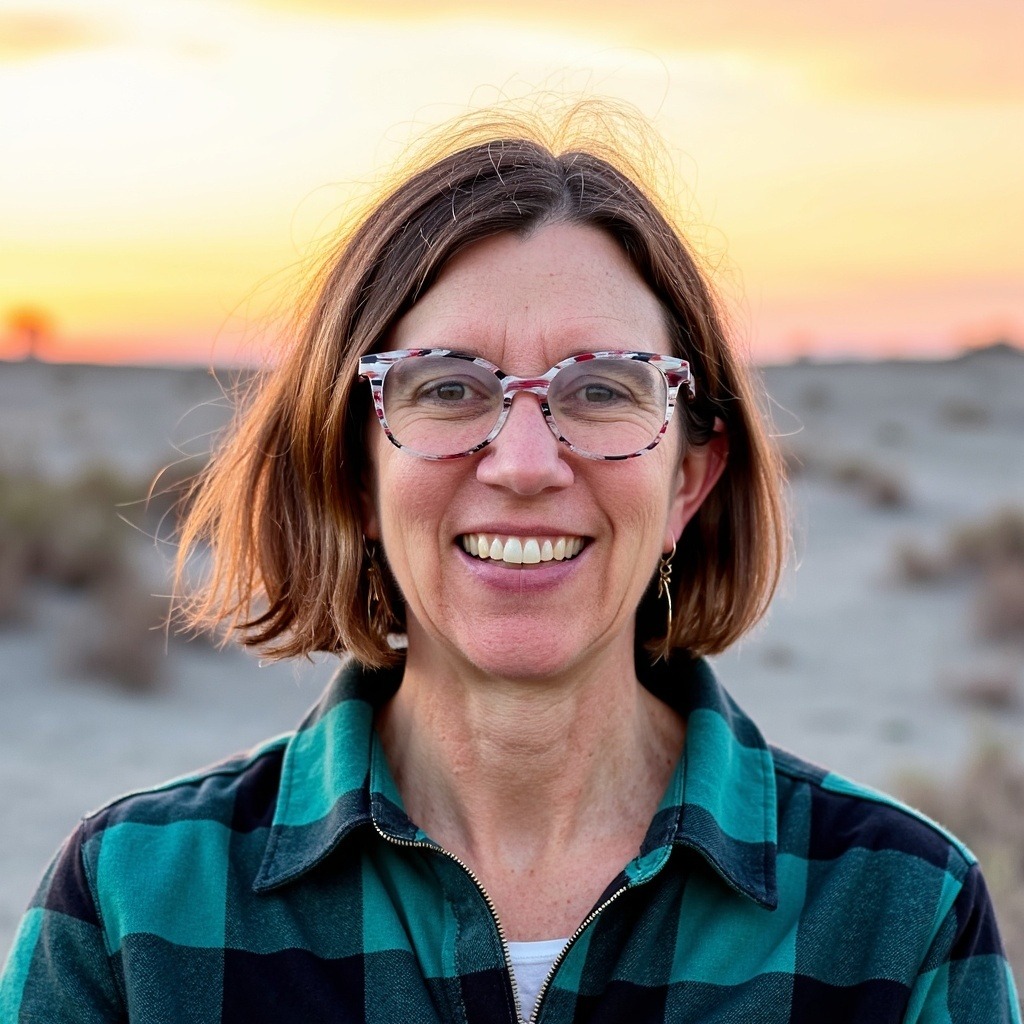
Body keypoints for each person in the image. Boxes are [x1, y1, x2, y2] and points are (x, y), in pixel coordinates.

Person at [1, 107, 1019, 1024]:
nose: (525, 464)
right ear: (352, 469)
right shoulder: (133, 906)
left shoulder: (897, 912)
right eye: (445, 389)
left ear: (689, 481)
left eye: (603, 390)